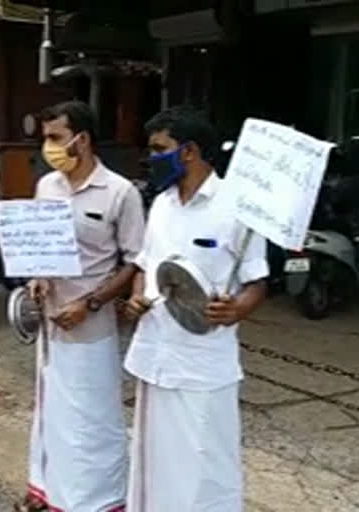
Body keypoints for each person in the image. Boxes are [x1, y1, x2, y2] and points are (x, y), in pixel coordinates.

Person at [123, 106, 269, 512]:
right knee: (155, 459)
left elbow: (257, 283)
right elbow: (144, 267)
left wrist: (237, 309)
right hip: (155, 353)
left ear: (188, 151)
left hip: (204, 361)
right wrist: (137, 296)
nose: (151, 158)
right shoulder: (161, 204)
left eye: (158, 149)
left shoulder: (238, 206)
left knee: (205, 462)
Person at [18, 101, 146, 512]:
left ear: (82, 139)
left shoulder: (120, 192)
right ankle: (49, 490)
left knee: (93, 420)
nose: (48, 147)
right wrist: (37, 279)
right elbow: (39, 248)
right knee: (52, 412)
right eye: (46, 138)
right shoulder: (46, 187)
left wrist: (90, 303)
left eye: (55, 137)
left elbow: (134, 261)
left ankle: (96, 501)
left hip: (92, 328)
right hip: (51, 327)